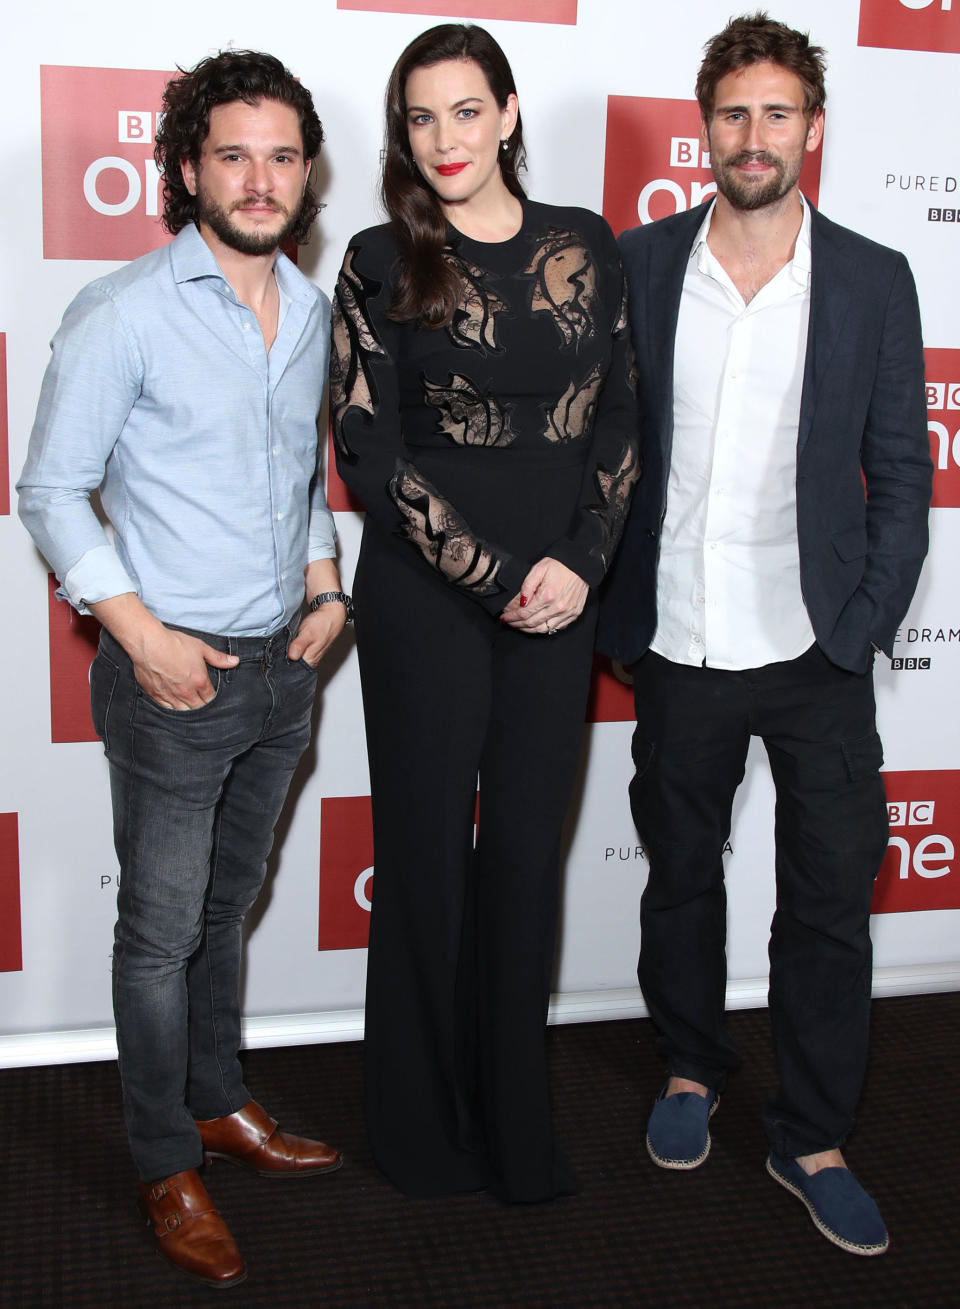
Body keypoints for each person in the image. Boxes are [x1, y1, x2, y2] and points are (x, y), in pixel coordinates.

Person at [599, 12, 931, 1257]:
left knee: (829, 905)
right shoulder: (635, 266)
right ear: (705, 129)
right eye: (733, 113)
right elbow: (604, 457)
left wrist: (858, 632)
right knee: (681, 881)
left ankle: (812, 1133)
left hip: (816, 652)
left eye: (777, 113)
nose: (754, 136)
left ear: (815, 130)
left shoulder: (872, 278)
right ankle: (691, 1066)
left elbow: (902, 475)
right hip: (676, 642)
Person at [18, 50, 348, 1288]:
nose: (259, 179)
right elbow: (49, 488)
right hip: (172, 678)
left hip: (282, 671)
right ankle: (165, 1156)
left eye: (280, 155)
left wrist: (325, 585)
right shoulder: (126, 311)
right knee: (158, 933)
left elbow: (301, 476)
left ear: (305, 173)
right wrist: (137, 633)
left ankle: (220, 1101)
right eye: (232, 154)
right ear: (186, 168)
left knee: (227, 907)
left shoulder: (313, 312)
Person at [330, 23, 638, 1202]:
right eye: (420, 117)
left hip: (560, 599)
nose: (445, 139)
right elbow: (368, 449)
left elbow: (618, 421)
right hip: (425, 601)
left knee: (521, 857)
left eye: (466, 111)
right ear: (402, 133)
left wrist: (577, 561)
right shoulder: (375, 256)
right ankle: (418, 1132)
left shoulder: (584, 243)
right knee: (422, 859)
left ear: (509, 114)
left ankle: (516, 1129)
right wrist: (496, 574)